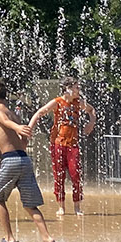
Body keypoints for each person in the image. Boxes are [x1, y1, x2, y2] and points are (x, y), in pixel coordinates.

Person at [0, 78, 59, 242]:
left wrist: (17, 127)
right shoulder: (14, 114)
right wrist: (19, 128)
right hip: (24, 160)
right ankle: (48, 239)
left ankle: (9, 238)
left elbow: (3, 120)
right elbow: (23, 141)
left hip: (10, 161)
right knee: (30, 205)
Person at [29, 77, 98, 216]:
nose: (79, 90)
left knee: (76, 175)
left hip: (73, 145)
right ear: (68, 89)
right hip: (58, 144)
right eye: (77, 88)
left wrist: (91, 123)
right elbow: (40, 112)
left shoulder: (79, 103)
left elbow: (92, 111)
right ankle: (61, 207)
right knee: (59, 176)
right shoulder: (57, 102)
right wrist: (30, 127)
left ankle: (77, 207)